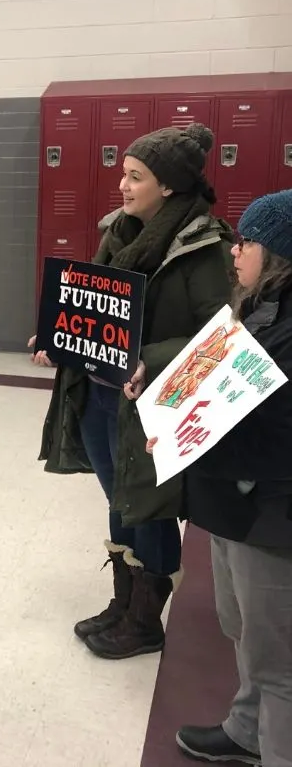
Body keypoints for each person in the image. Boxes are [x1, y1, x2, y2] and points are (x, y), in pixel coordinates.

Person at [30, 123, 233, 660]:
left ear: (168, 186)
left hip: (152, 403)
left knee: (150, 506)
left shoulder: (203, 248)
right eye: (123, 174)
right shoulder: (118, 232)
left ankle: (146, 619)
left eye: (135, 177)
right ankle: (125, 600)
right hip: (99, 393)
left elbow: (222, 337)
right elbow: (95, 303)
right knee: (118, 499)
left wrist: (152, 359)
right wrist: (57, 335)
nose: (122, 185)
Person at [147, 189, 292, 767]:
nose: (236, 250)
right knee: (244, 632)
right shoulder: (258, 309)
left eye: (249, 241)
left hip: (274, 511)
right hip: (234, 500)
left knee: (279, 660)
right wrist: (165, 399)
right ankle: (248, 730)